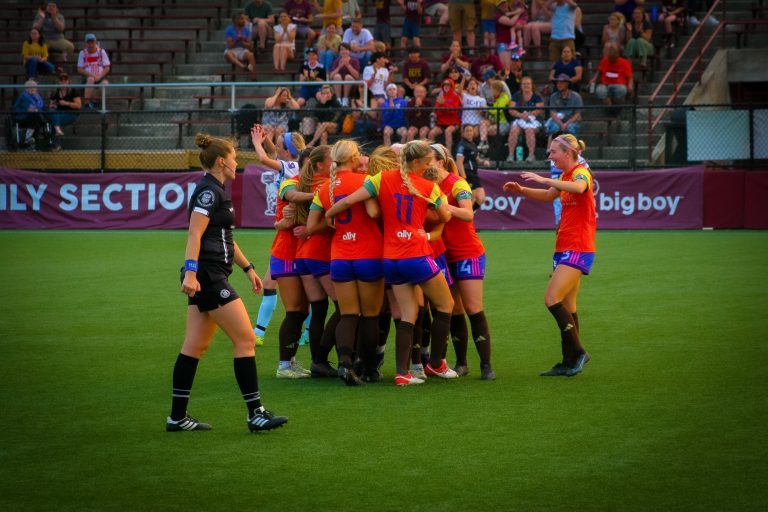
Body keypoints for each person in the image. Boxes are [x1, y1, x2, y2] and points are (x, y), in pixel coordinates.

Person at [167, 132, 288, 433]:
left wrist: (248, 268)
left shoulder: (217, 190)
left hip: (210, 275)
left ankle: (177, 418)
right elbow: (194, 233)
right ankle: (256, 413)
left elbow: (225, 238)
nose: (237, 162)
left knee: (194, 346)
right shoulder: (209, 192)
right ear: (221, 161)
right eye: (234, 157)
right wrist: (191, 273)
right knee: (246, 340)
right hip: (209, 277)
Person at [324, 140, 458, 385]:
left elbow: (349, 201)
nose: (429, 166)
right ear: (415, 162)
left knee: (407, 314)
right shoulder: (429, 186)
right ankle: (436, 363)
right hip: (416, 255)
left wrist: (329, 213)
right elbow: (446, 215)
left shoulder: (380, 179)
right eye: (427, 162)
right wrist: (431, 218)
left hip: (390, 258)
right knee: (446, 304)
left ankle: (402, 373)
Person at [502, 134, 595, 377]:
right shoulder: (565, 175)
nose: (550, 156)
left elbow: (580, 187)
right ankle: (568, 360)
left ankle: (579, 353)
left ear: (568, 152)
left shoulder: (580, 173)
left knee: (552, 299)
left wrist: (544, 179)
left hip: (578, 247)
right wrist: (522, 189)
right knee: (568, 306)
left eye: (554, 151)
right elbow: (548, 195)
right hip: (564, 246)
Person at [307, 140, 385, 384]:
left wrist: (333, 223)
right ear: (352, 158)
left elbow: (311, 226)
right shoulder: (365, 181)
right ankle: (369, 369)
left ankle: (344, 366)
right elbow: (372, 213)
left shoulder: (324, 188)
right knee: (370, 316)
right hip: (368, 253)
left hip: (340, 255)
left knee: (348, 314)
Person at [430, 143, 495, 379]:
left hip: (467, 252)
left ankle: (486, 365)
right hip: (443, 255)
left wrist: (443, 206)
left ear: (440, 161)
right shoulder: (428, 185)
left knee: (473, 308)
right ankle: (461, 363)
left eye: (428, 160)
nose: (424, 164)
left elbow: (468, 213)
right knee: (454, 309)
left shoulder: (457, 183)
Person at [507, 76, 544, 162]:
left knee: (529, 130)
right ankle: (510, 155)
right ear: (521, 85)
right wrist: (520, 115)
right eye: (524, 84)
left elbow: (539, 109)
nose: (526, 86)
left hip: (533, 120)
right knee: (514, 130)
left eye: (528, 84)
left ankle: (531, 155)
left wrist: (529, 114)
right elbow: (511, 109)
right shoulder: (516, 95)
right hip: (519, 119)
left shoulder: (536, 96)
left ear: (531, 85)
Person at [589, 42, 634, 111]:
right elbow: (599, 71)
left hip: (619, 85)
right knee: (600, 90)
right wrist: (594, 79)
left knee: (621, 89)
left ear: (617, 55)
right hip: (606, 84)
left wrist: (630, 85)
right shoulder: (605, 61)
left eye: (612, 58)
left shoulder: (625, 63)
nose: (610, 59)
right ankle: (609, 106)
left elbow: (630, 77)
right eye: (609, 57)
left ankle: (617, 106)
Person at [453, 125, 489, 209]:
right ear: (463, 133)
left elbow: (476, 158)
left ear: (473, 132)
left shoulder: (473, 144)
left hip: (474, 174)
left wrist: (483, 162)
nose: (469, 133)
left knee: (481, 198)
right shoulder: (462, 145)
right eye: (467, 131)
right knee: (471, 198)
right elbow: (459, 162)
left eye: (471, 131)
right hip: (467, 174)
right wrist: (463, 176)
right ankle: (466, 215)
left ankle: (469, 213)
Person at [12, 79, 51, 150]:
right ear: (26, 88)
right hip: (24, 117)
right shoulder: (22, 97)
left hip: (37, 117)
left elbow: (43, 107)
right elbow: (15, 109)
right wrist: (26, 110)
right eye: (30, 87)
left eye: (34, 87)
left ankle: (30, 140)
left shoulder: (38, 97)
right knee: (35, 116)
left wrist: (49, 106)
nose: (33, 89)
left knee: (38, 117)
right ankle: (29, 139)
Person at [48, 72, 81, 150]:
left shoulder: (73, 91)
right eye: (61, 80)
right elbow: (50, 105)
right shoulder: (55, 91)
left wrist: (67, 103)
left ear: (68, 81)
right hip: (59, 114)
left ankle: (56, 144)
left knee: (54, 119)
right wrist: (54, 105)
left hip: (71, 114)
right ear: (59, 82)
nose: (63, 82)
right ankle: (57, 133)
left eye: (65, 80)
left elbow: (78, 105)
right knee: (52, 113)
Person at [430, 77, 462, 154]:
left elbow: (454, 111)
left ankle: (448, 154)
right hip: (441, 123)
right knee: (432, 133)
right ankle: (431, 153)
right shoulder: (441, 97)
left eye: (448, 85)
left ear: (452, 86)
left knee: (448, 131)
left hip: (453, 123)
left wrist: (444, 104)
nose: (446, 86)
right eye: (444, 85)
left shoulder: (455, 96)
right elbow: (437, 111)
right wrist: (443, 109)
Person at [77, 34, 110, 108]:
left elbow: (107, 67)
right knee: (90, 79)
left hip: (100, 77)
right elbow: (79, 69)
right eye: (88, 43)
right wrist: (92, 75)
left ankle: (95, 101)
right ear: (86, 44)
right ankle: (87, 104)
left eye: (92, 42)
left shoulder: (101, 52)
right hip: (87, 77)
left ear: (95, 42)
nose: (91, 45)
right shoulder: (82, 53)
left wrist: (99, 76)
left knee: (105, 83)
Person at [544, 74, 582, 138]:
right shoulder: (553, 96)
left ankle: (572, 144)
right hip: (557, 121)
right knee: (554, 127)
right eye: (558, 83)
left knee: (571, 127)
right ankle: (552, 144)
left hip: (572, 121)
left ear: (567, 84)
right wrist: (561, 124)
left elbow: (577, 114)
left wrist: (566, 124)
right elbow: (552, 113)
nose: (559, 85)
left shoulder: (576, 96)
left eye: (561, 83)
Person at [460, 78, 490, 154]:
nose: (472, 85)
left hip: (477, 122)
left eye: (474, 84)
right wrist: (464, 78)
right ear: (467, 87)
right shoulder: (465, 96)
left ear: (477, 87)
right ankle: (466, 152)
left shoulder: (481, 99)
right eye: (470, 84)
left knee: (474, 133)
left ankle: (476, 152)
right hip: (466, 122)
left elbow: (485, 115)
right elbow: (459, 91)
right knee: (465, 134)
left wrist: (481, 112)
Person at [224, 13, 257, 79]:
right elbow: (230, 46)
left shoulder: (246, 30)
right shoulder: (229, 30)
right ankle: (243, 67)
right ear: (236, 20)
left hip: (242, 49)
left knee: (251, 55)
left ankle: (253, 77)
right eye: (241, 19)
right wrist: (236, 40)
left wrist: (242, 41)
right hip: (232, 50)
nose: (244, 21)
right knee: (228, 54)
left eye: (244, 19)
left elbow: (250, 46)